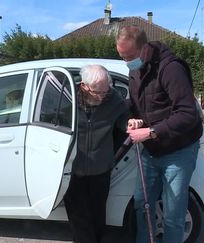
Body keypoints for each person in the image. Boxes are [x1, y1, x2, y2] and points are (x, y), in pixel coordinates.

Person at [116, 26, 203, 243]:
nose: (126, 61)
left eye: (129, 56)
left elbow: (187, 114)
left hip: (178, 150)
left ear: (144, 48)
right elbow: (141, 106)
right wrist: (136, 118)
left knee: (173, 214)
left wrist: (151, 131)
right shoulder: (135, 70)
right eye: (121, 56)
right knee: (142, 204)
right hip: (152, 150)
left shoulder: (171, 68)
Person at [64, 64, 128, 243]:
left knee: (98, 214)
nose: (101, 96)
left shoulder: (113, 97)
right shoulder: (68, 98)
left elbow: (123, 120)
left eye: (104, 91)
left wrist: (130, 124)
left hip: (101, 169)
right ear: (83, 86)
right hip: (73, 169)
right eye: (96, 92)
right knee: (79, 218)